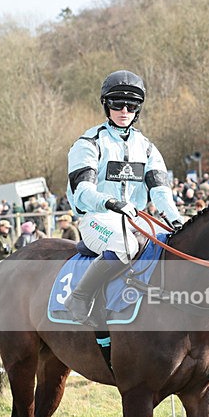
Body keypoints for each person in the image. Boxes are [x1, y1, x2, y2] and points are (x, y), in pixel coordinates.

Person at [64, 70, 183, 327]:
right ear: (106, 105)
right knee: (127, 245)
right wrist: (111, 202)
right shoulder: (88, 143)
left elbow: (160, 191)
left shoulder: (148, 147)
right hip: (96, 219)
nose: (124, 110)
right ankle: (80, 297)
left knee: (174, 243)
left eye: (131, 105)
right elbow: (82, 192)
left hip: (135, 218)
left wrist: (175, 219)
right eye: (117, 104)